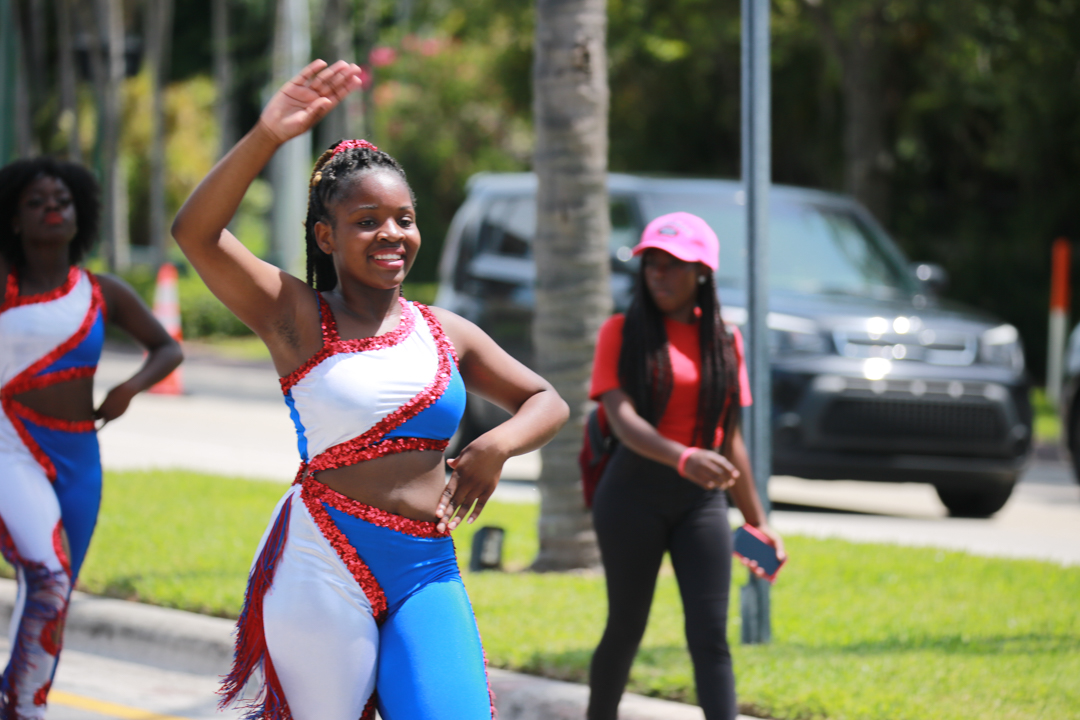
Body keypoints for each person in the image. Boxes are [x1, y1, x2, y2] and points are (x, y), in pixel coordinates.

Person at [171, 60, 568, 720]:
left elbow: (546, 400)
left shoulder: (445, 331)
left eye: (404, 219)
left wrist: (495, 447)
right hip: (323, 559)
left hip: (426, 566)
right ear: (326, 236)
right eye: (367, 220)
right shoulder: (296, 317)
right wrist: (269, 135)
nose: (391, 234)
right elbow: (196, 234)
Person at [0, 157, 183, 716]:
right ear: (13, 219)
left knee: (56, 591)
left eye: (63, 201)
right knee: (48, 576)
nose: (52, 208)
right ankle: (24, 706)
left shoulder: (102, 291)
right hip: (10, 446)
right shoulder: (4, 283)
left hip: (79, 457)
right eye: (36, 202)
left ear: (80, 213)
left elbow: (168, 348)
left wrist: (128, 390)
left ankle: (18, 697)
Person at [586, 212, 785, 720]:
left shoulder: (726, 341)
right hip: (631, 495)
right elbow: (622, 420)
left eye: (673, 264)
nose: (659, 274)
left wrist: (758, 523)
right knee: (626, 626)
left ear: (702, 272)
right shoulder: (620, 332)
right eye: (652, 262)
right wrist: (683, 457)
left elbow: (730, 439)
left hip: (700, 501)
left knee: (710, 635)